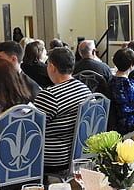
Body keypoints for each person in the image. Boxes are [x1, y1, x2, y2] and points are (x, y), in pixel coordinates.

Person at [34, 46, 92, 174]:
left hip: (55, 157)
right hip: (79, 152)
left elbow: (32, 127)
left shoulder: (50, 95)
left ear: (52, 67)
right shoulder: (84, 89)